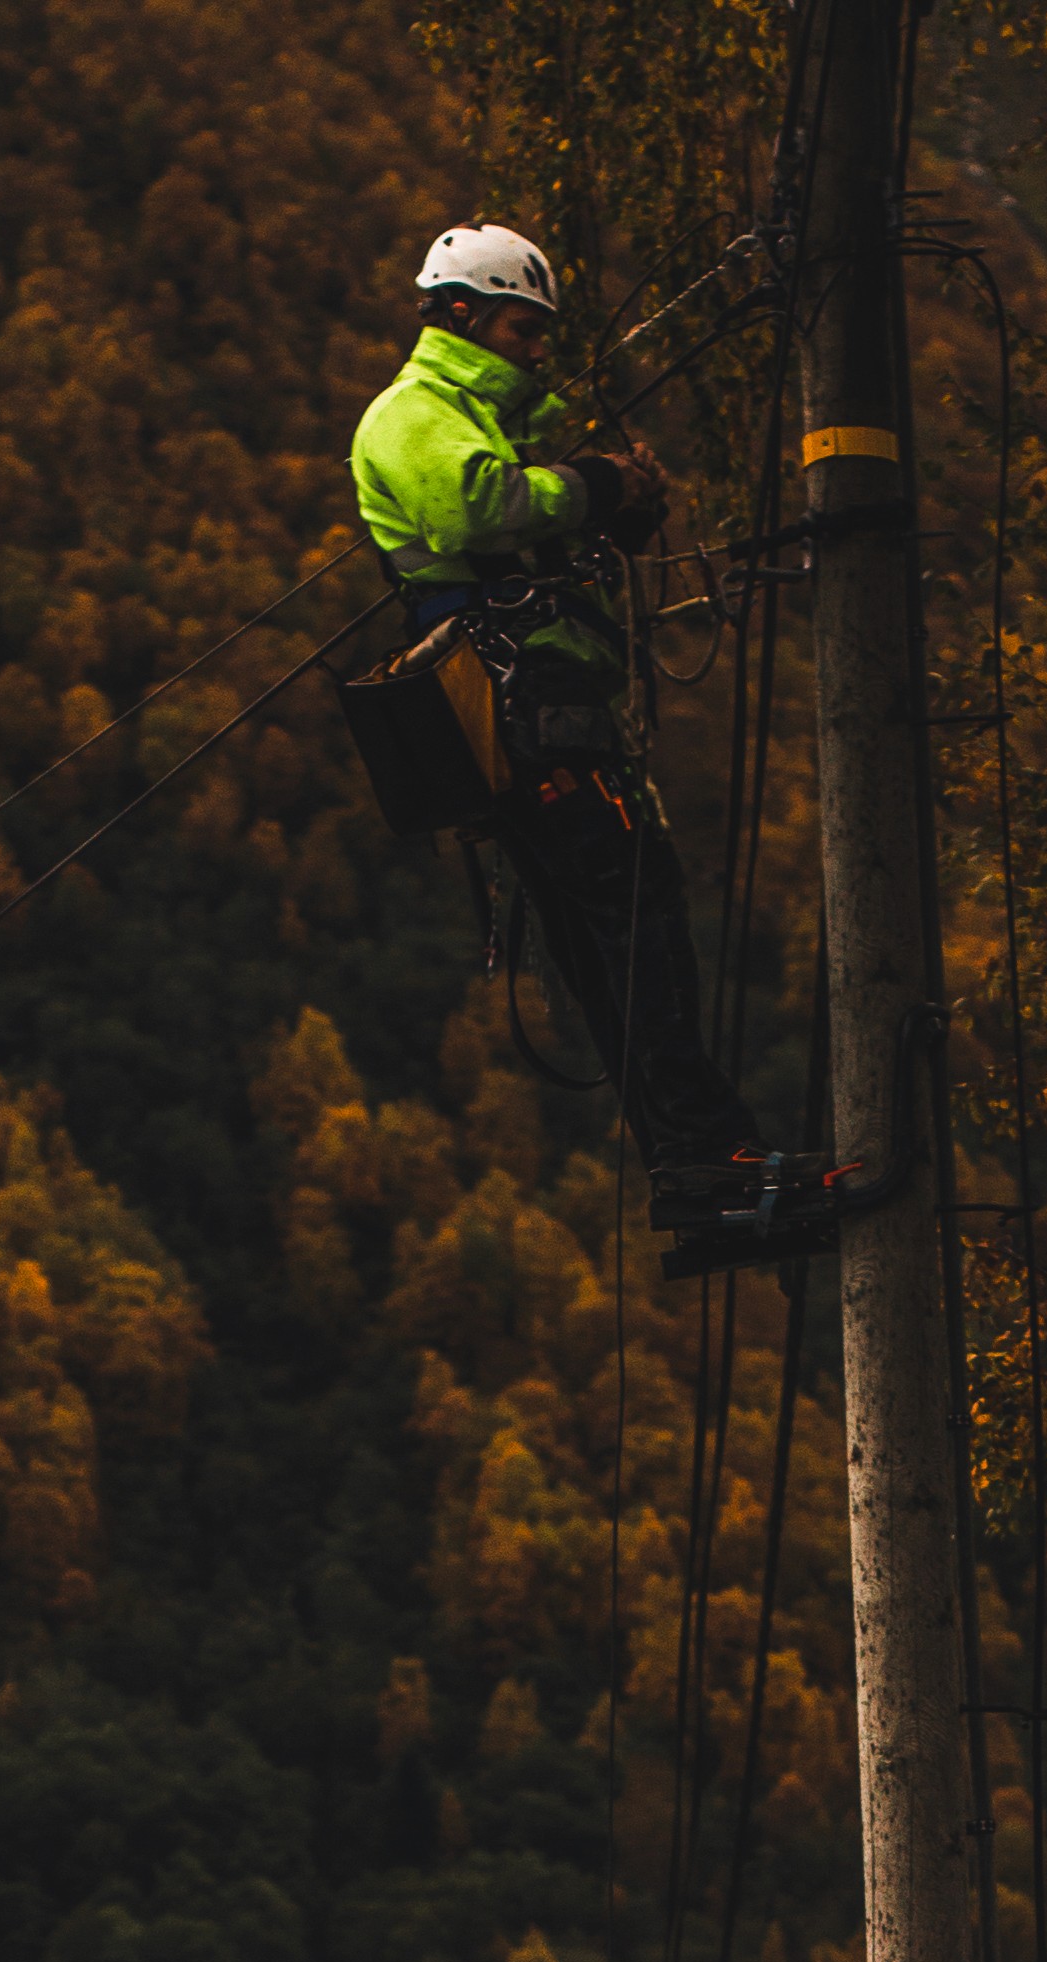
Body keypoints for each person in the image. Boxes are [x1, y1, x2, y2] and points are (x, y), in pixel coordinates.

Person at [352, 223, 818, 1241]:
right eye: (522, 327)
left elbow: (515, 512)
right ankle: (707, 1154)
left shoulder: (485, 421)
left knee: (613, 941)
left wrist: (596, 511)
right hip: (524, 717)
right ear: (464, 316)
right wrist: (595, 490)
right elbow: (480, 507)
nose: (535, 348)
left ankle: (694, 1164)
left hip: (539, 719)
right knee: (636, 922)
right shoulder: (416, 413)